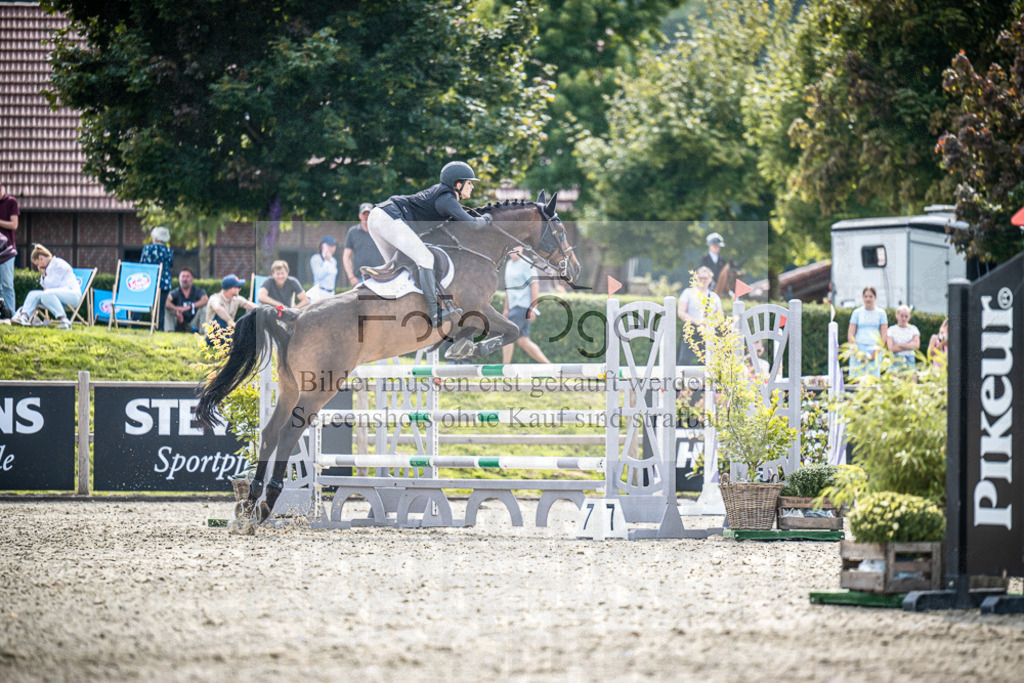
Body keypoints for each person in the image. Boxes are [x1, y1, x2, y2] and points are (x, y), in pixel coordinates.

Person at [367, 161, 493, 327]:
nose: (472, 186)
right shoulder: (446, 199)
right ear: (458, 184)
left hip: (378, 217)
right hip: (388, 218)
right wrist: (487, 218)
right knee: (425, 259)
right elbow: (473, 224)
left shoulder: (442, 195)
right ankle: (434, 314)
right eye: (469, 182)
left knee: (398, 269)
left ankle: (394, 311)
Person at [10, 244, 80, 330]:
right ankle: (23, 317)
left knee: (46, 294)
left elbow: (50, 289)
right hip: (56, 297)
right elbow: (46, 291)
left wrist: (43, 276)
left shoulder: (58, 264)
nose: (38, 267)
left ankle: (65, 321)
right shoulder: (47, 268)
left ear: (41, 258)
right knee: (33, 294)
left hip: (72, 296)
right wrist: (44, 276)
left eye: (37, 264)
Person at [501, 247, 550, 364]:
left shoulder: (527, 264)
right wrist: (506, 309)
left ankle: (504, 368)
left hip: (523, 307)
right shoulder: (508, 265)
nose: (513, 251)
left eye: (515, 248)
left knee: (507, 335)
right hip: (514, 307)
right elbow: (509, 289)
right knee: (523, 341)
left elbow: (535, 285)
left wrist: (533, 308)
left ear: (521, 248)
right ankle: (550, 367)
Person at [677, 266, 723, 365]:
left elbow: (720, 317)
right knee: (683, 361)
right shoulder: (688, 293)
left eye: (705, 278)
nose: (703, 280)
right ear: (696, 278)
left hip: (708, 332)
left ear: (710, 279)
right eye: (701, 277)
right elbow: (681, 312)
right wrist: (697, 322)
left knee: (708, 363)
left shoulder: (714, 297)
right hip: (691, 330)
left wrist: (710, 325)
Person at [847, 286, 888, 378]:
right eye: (866, 296)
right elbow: (850, 334)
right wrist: (856, 352)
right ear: (862, 297)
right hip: (858, 349)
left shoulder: (881, 313)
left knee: (872, 380)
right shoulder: (856, 313)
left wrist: (875, 352)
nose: (868, 299)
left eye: (870, 296)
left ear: (875, 297)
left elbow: (884, 336)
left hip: (874, 350)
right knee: (857, 379)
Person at [139, 226, 174, 331]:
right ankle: (159, 328)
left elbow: (142, 264)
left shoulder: (147, 249)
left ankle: (136, 323)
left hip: (147, 282)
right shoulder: (169, 251)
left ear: (154, 236)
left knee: (142, 304)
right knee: (160, 309)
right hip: (164, 283)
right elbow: (171, 266)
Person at [342, 203, 383, 288]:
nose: (366, 217)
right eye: (364, 214)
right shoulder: (353, 232)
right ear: (359, 215)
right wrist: (351, 277)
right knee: (362, 300)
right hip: (360, 279)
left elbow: (388, 254)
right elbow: (346, 256)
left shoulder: (379, 231)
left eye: (369, 214)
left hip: (379, 278)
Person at [165, 268, 208, 333]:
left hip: (194, 320)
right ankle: (169, 331)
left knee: (205, 308)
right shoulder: (175, 292)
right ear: (179, 279)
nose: (185, 279)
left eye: (187, 277)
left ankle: (203, 333)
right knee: (166, 309)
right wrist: (177, 308)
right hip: (178, 319)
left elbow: (205, 300)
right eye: (183, 276)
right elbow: (166, 302)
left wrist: (189, 307)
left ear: (192, 279)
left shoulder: (198, 291)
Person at [0, 183, 20, 314]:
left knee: (7, 285)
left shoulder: (11, 202)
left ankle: (11, 315)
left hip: (6, 252)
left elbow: (14, 224)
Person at [887, 305, 920, 371]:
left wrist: (899, 345)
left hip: (910, 359)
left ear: (909, 317)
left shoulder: (913, 329)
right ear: (897, 316)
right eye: (901, 316)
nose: (904, 318)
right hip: (896, 359)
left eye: (906, 316)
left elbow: (916, 345)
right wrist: (909, 345)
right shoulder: (891, 329)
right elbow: (891, 348)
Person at [307, 235, 338, 303]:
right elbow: (319, 275)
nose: (332, 248)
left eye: (333, 246)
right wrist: (326, 261)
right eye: (329, 246)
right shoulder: (316, 258)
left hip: (331, 293)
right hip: (319, 292)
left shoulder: (333, 261)